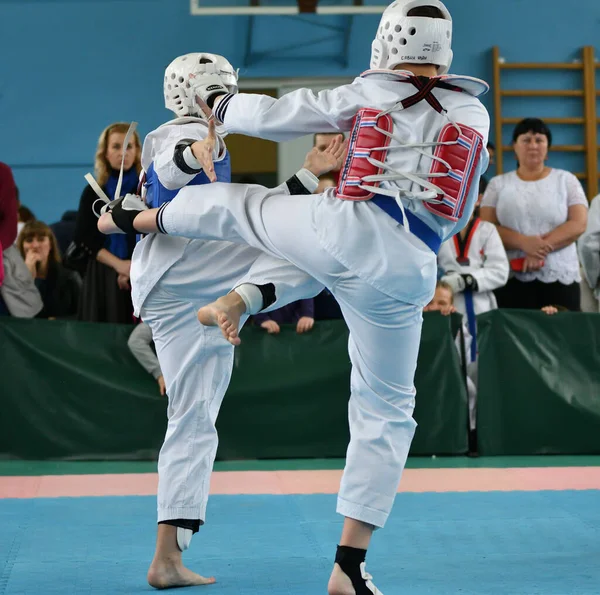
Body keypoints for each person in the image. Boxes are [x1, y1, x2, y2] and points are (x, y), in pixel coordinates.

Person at [101, 2, 490, 592]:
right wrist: (198, 152)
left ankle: (212, 272)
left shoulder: (368, 94)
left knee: (250, 211)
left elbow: (282, 113)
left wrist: (226, 109)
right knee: (388, 410)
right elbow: (174, 159)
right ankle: (350, 567)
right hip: (409, 264)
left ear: (387, 42)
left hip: (337, 229)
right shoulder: (475, 113)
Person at [98, 53, 344, 589]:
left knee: (193, 418)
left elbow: (242, 214)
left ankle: (167, 558)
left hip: (180, 284)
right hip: (194, 271)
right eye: (216, 93)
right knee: (321, 242)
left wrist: (311, 171)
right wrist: (198, 151)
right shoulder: (175, 134)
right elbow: (169, 172)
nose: (220, 101)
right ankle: (242, 299)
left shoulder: (195, 136)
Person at [480, 118, 588, 311]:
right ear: (514, 146)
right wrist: (523, 243)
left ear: (548, 147)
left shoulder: (566, 180)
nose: (533, 145)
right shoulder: (498, 184)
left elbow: (578, 223)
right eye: (526, 139)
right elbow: (487, 226)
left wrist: (539, 248)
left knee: (563, 336)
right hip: (511, 276)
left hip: (560, 276)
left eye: (539, 140)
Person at [437, 178, 509, 361]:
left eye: (469, 193)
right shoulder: (439, 229)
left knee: (483, 359)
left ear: (479, 199)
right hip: (446, 304)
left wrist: (466, 280)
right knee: (450, 357)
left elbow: (500, 271)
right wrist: (441, 281)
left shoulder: (488, 230)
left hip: (481, 304)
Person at [17, 221, 81, 319]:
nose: (35, 245)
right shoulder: (12, 278)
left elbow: (83, 315)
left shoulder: (69, 278)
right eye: (29, 240)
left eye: (41, 240)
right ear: (22, 246)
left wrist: (56, 321)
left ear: (50, 245)